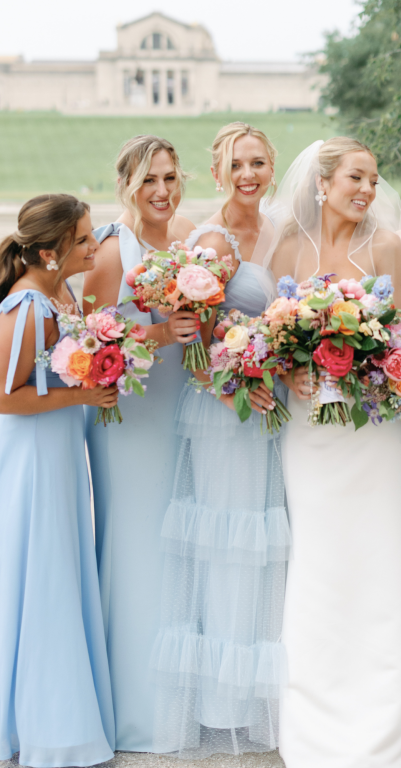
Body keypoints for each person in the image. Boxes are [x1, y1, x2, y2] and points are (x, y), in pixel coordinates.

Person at [265, 137, 401, 768]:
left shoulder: (384, 247)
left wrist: (373, 368)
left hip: (373, 431)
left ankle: (380, 714)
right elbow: (268, 339)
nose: (368, 190)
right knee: (318, 559)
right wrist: (290, 371)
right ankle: (312, 708)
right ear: (323, 182)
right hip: (308, 432)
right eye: (357, 177)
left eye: (374, 180)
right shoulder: (286, 248)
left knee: (379, 555)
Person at [151, 122, 290, 758]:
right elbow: (197, 347)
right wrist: (240, 387)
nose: (249, 174)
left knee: (266, 545)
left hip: (271, 403)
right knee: (230, 543)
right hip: (222, 409)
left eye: (259, 162)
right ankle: (221, 701)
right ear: (217, 173)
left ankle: (259, 695)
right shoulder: (211, 240)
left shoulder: (284, 233)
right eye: (237, 164)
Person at [83, 135, 198, 752]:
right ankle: (135, 709)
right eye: (150, 179)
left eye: (171, 177)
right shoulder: (110, 251)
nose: (162, 190)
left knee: (177, 542)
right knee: (135, 542)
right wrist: (159, 331)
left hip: (181, 402)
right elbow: (93, 353)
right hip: (129, 417)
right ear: (127, 183)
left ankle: (178, 700)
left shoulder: (184, 239)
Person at [0, 194, 117, 767]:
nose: (95, 247)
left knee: (59, 566)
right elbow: (4, 395)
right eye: (85, 240)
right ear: (51, 253)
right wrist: (84, 394)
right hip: (37, 456)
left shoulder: (60, 292)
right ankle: (48, 724)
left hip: (62, 448)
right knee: (43, 571)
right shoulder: (29, 308)